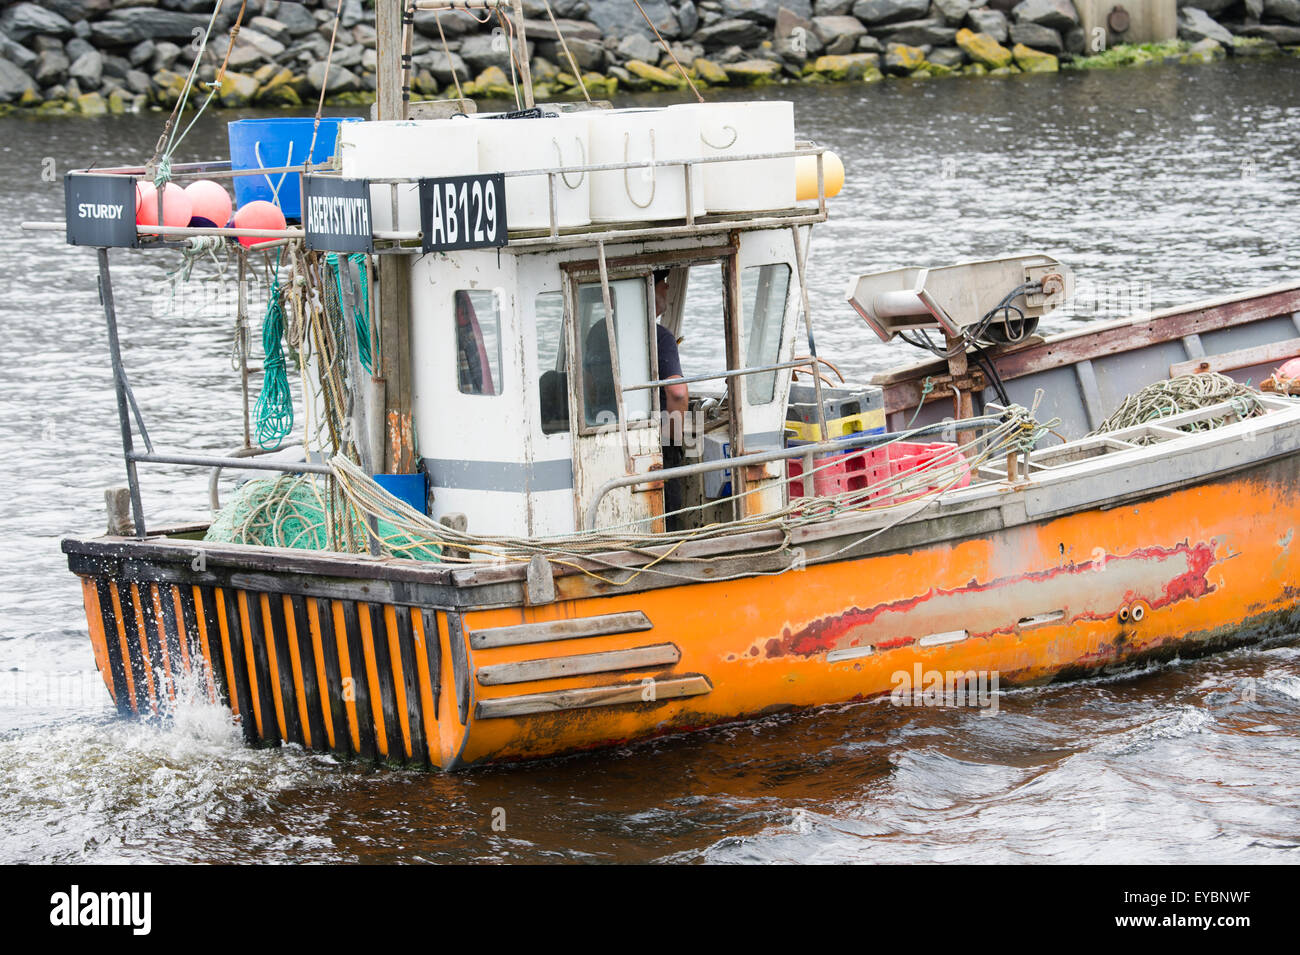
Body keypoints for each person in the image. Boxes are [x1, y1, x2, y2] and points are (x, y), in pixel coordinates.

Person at [653, 269, 689, 528]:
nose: (666, 287)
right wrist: (675, 440)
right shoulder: (661, 337)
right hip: (658, 442)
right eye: (660, 282)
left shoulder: (596, 332)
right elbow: (677, 392)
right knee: (668, 520)